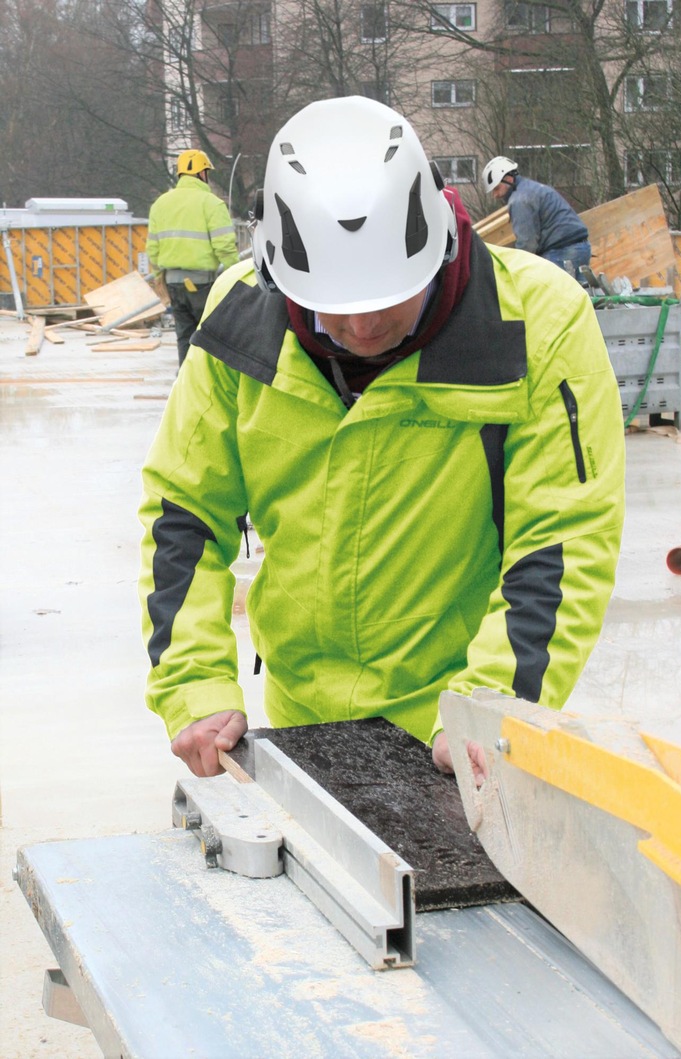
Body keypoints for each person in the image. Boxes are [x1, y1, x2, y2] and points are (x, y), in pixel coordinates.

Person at [138, 97, 625, 780]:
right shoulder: (239, 319)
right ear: (279, 272)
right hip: (302, 720)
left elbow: (562, 538)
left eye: (386, 299)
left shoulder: (538, 324)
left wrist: (489, 709)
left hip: (456, 728)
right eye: (336, 304)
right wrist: (192, 685)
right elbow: (184, 511)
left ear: (438, 243)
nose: (363, 328)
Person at [146, 149, 239, 368]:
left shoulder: (160, 204)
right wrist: (238, 275)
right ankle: (208, 385)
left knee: (184, 336)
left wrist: (159, 278)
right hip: (201, 284)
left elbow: (153, 248)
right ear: (201, 174)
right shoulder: (212, 204)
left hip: (173, 283)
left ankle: (185, 385)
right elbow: (224, 247)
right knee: (211, 336)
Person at [481, 156, 591, 279]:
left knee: (553, 295)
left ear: (509, 179)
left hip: (562, 251)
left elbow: (527, 243)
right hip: (581, 247)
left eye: (496, 188)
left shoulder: (520, 200)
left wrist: (515, 271)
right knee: (580, 293)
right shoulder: (532, 188)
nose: (495, 195)